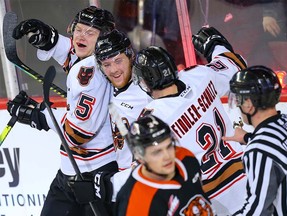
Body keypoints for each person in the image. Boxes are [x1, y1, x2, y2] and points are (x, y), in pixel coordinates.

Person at [7, 6, 117, 216]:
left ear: (103, 39)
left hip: (95, 176)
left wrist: (36, 115)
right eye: (79, 29)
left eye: (90, 32)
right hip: (72, 171)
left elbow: (78, 133)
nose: (81, 36)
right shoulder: (102, 59)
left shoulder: (92, 75)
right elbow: (76, 53)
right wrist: (50, 39)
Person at [132, 27, 248, 215]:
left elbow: (146, 178)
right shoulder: (199, 76)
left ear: (145, 81)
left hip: (210, 201)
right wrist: (216, 46)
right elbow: (236, 64)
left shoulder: (154, 120)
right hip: (246, 181)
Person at [115, 114, 215, 216]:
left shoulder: (186, 157)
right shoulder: (134, 203)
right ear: (140, 157)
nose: (167, 156)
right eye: (157, 152)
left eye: (169, 146)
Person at [222, 65, 287, 215]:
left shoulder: (259, 150)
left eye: (239, 99)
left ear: (249, 105)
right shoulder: (284, 121)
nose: (238, 105)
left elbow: (257, 211)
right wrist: (247, 137)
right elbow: (278, 149)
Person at [95, 29, 151, 171]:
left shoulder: (147, 92)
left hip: (143, 176)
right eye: (106, 64)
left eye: (118, 61)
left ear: (130, 56)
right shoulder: (107, 89)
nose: (113, 70)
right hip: (121, 175)